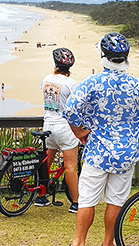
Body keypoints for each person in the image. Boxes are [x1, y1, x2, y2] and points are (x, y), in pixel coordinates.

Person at [63, 33, 139, 246]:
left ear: (103, 55)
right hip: (126, 154)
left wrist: (79, 132)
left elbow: (71, 109)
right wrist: (136, 126)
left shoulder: (93, 82)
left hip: (97, 153)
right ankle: (108, 242)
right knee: (115, 201)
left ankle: (78, 242)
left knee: (87, 200)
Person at [34, 47, 81, 212]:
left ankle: (41, 196)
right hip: (65, 128)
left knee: (47, 162)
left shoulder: (46, 79)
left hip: (48, 126)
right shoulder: (71, 83)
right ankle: (76, 203)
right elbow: (76, 107)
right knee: (70, 166)